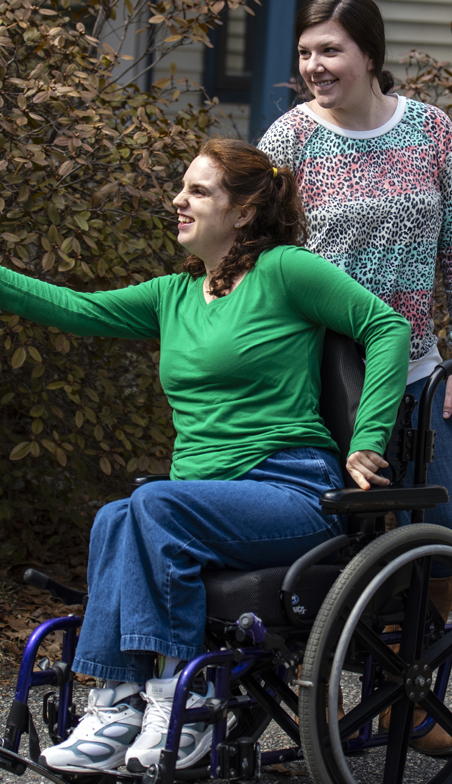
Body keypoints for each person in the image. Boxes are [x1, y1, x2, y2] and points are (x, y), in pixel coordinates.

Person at [0, 138, 410, 773]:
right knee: (118, 514)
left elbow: (387, 327)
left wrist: (367, 440)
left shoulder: (285, 271)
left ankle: (181, 709)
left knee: (153, 504)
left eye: (197, 191)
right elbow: (75, 309)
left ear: (242, 212)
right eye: (181, 187)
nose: (177, 200)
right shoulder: (175, 295)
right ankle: (118, 705)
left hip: (292, 492)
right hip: (202, 502)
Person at [258, 0, 452, 754]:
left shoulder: (434, 129)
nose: (314, 67)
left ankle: (413, 694)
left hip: (414, 372)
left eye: (330, 51)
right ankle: (334, 703)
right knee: (331, 544)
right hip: (316, 380)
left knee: (433, 540)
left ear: (368, 53)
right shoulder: (291, 137)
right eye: (306, 53)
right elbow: (255, 247)